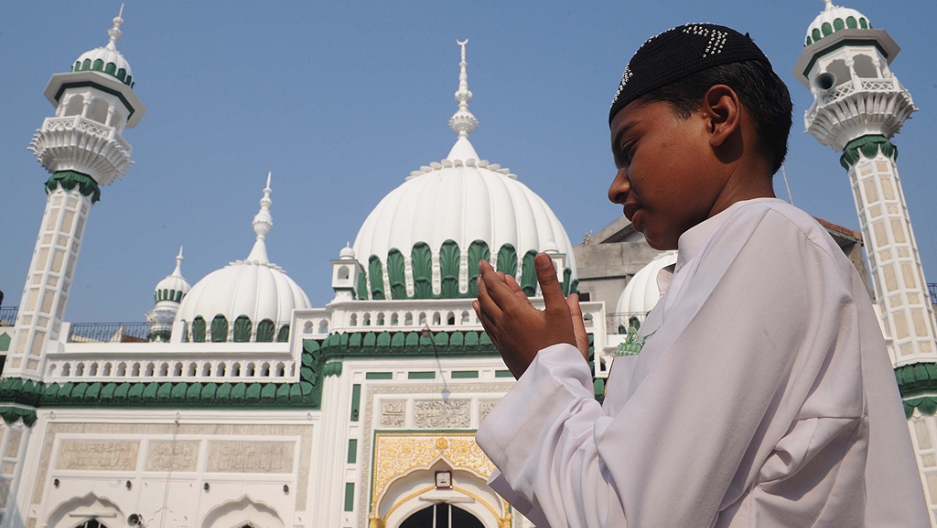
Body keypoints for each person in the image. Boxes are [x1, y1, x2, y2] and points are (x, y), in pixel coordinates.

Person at [473, 23, 929, 528]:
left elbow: (624, 515)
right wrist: (565, 381)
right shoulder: (706, 270)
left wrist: (546, 369)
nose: (615, 186)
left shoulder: (767, 236)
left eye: (630, 148)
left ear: (719, 116)